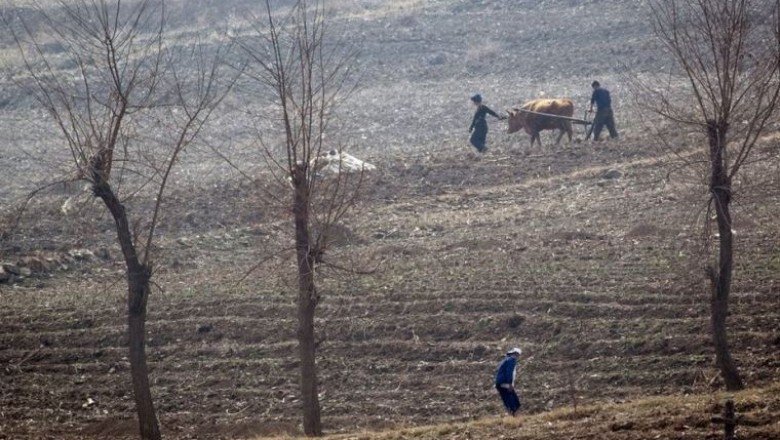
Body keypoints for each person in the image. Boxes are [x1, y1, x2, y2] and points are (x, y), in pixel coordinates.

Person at [495, 347, 522, 416]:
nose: (517, 356)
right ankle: (514, 415)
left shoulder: (506, 360)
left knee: (508, 399)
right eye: (517, 355)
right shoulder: (511, 360)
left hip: (500, 383)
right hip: (505, 383)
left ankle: (512, 414)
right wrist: (510, 384)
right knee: (513, 400)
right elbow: (509, 372)